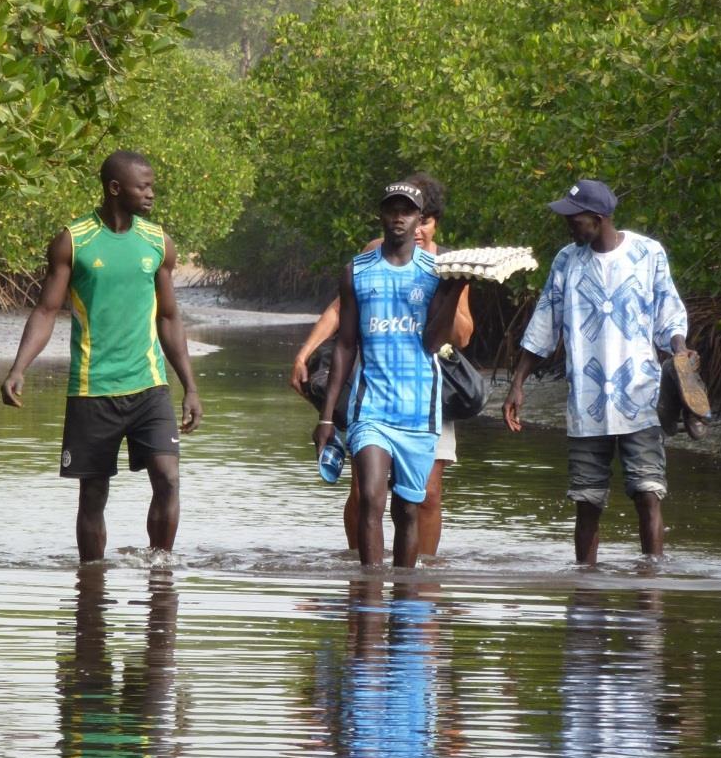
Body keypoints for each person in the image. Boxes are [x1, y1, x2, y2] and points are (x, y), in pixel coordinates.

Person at [0, 150, 202, 562]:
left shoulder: (157, 242)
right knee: (93, 494)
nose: (151, 194)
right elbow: (45, 311)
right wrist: (19, 367)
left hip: (150, 386)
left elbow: (168, 316)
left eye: (152, 186)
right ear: (115, 189)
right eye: (142, 186)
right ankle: (90, 582)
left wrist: (190, 386)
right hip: (93, 390)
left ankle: (159, 572)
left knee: (168, 479)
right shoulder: (73, 241)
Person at [502, 179, 689, 564]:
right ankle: (585, 590)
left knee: (647, 494)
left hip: (641, 398)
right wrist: (517, 382)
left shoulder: (647, 253)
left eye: (575, 218)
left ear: (599, 218)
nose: (568, 224)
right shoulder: (566, 261)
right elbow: (544, 323)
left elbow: (670, 314)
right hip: (587, 404)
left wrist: (682, 355)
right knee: (586, 502)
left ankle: (650, 590)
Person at [292, 173, 473, 555]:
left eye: (420, 218)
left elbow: (462, 336)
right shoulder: (366, 260)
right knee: (367, 493)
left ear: (430, 218)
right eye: (395, 212)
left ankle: (419, 584)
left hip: (428, 397)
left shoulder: (447, 266)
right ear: (382, 216)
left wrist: (451, 288)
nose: (410, 225)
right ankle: (365, 580)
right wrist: (305, 352)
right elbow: (342, 316)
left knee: (424, 497)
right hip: (372, 396)